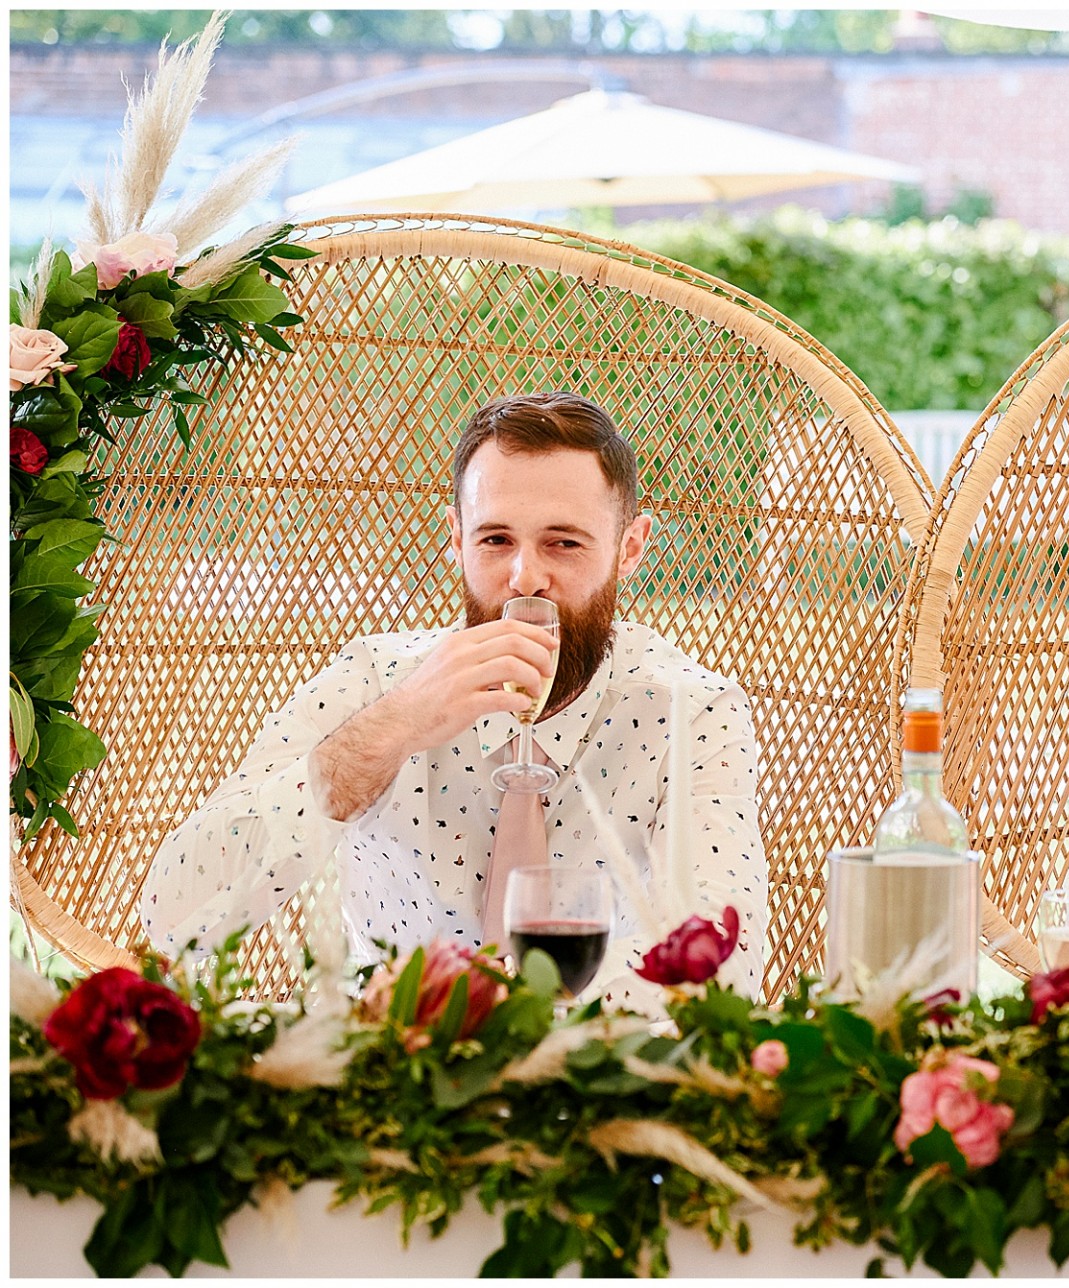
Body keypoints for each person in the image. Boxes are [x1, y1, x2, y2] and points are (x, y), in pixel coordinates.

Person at [141, 391, 767, 1004]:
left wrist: (486, 1021)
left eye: (564, 543)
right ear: (456, 538)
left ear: (629, 548)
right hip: (388, 1072)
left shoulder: (693, 713)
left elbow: (720, 967)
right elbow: (175, 921)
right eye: (495, 540)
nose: (526, 577)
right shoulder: (373, 681)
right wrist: (390, 729)